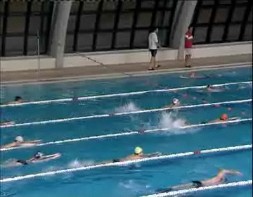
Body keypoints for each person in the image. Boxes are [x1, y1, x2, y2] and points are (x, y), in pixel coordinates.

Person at [157, 169, 242, 192]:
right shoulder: (218, 179)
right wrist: (236, 172)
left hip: (197, 184)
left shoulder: (218, 181)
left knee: (175, 190)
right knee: (176, 191)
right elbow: (223, 171)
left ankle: (164, 191)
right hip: (197, 185)